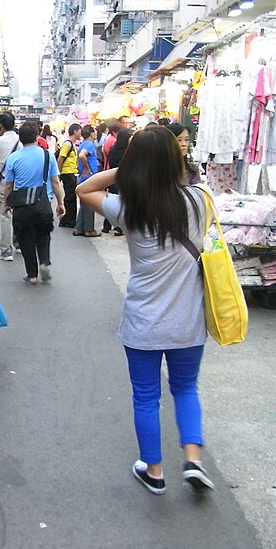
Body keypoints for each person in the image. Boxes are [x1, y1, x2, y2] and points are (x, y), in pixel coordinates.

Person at [77, 125, 215, 495]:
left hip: (143, 322)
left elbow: (84, 188)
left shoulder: (128, 208)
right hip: (188, 321)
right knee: (186, 388)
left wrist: (132, 169)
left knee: (145, 396)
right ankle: (193, 460)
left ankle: (154, 471)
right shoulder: (200, 201)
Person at [5, 122, 65, 284]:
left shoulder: (14, 158)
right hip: (43, 204)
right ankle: (44, 262)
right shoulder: (47, 155)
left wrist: (6, 204)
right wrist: (60, 203)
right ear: (37, 137)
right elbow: (55, 182)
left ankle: (32, 275)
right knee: (43, 235)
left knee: (25, 238)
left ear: (20, 139)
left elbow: (9, 185)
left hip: (22, 207)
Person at [0, 112, 21, 261]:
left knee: (5, 214)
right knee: (18, 213)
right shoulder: (21, 141)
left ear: (1, 126)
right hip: (20, 182)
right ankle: (18, 243)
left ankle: (6, 250)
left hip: (4, 180)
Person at [73, 124, 101, 238]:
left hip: (83, 178)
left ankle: (80, 227)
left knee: (84, 204)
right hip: (89, 178)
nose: (96, 134)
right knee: (90, 204)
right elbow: (82, 155)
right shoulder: (89, 144)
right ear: (90, 133)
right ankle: (89, 229)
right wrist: (87, 168)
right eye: (94, 132)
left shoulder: (83, 143)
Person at [105, 128, 132, 236]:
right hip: (123, 179)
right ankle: (119, 228)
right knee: (121, 203)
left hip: (112, 178)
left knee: (112, 202)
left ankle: (106, 226)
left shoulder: (113, 148)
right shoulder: (127, 151)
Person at [56, 123, 82, 228]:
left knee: (70, 197)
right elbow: (60, 159)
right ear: (75, 131)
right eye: (79, 131)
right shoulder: (67, 144)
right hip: (68, 174)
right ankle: (69, 219)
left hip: (71, 173)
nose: (81, 133)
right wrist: (59, 174)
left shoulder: (72, 144)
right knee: (70, 197)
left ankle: (68, 219)